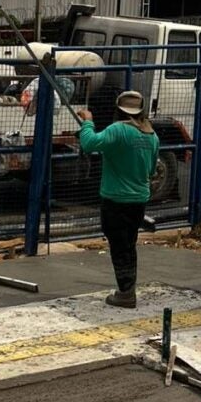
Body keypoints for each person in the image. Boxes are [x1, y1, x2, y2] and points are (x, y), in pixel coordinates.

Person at [77, 90, 160, 309]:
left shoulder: (118, 130)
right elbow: (151, 169)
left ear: (118, 109)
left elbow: (89, 143)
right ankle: (127, 288)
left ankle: (126, 293)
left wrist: (87, 122)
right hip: (138, 199)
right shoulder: (151, 135)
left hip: (116, 199)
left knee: (119, 246)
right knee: (128, 244)